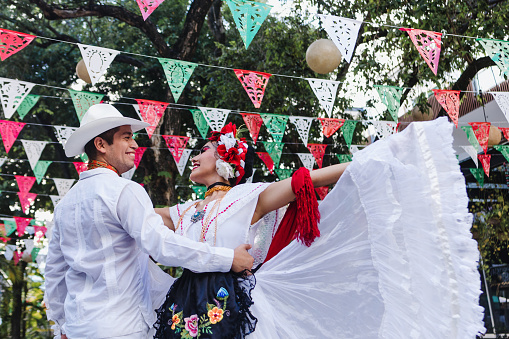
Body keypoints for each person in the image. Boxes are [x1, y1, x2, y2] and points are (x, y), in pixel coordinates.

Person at [154, 118, 486, 338]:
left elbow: (309, 180)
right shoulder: (186, 210)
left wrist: (378, 158)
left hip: (235, 304)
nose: (194, 156)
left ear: (226, 160)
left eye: (203, 150)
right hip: (185, 304)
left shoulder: (248, 197)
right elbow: (136, 214)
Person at [44, 104, 255, 339]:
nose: (134, 144)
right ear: (101, 145)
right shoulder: (124, 190)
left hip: (76, 329)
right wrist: (228, 258)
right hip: (121, 328)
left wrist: (61, 326)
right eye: (126, 137)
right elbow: (162, 245)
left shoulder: (65, 204)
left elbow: (54, 273)